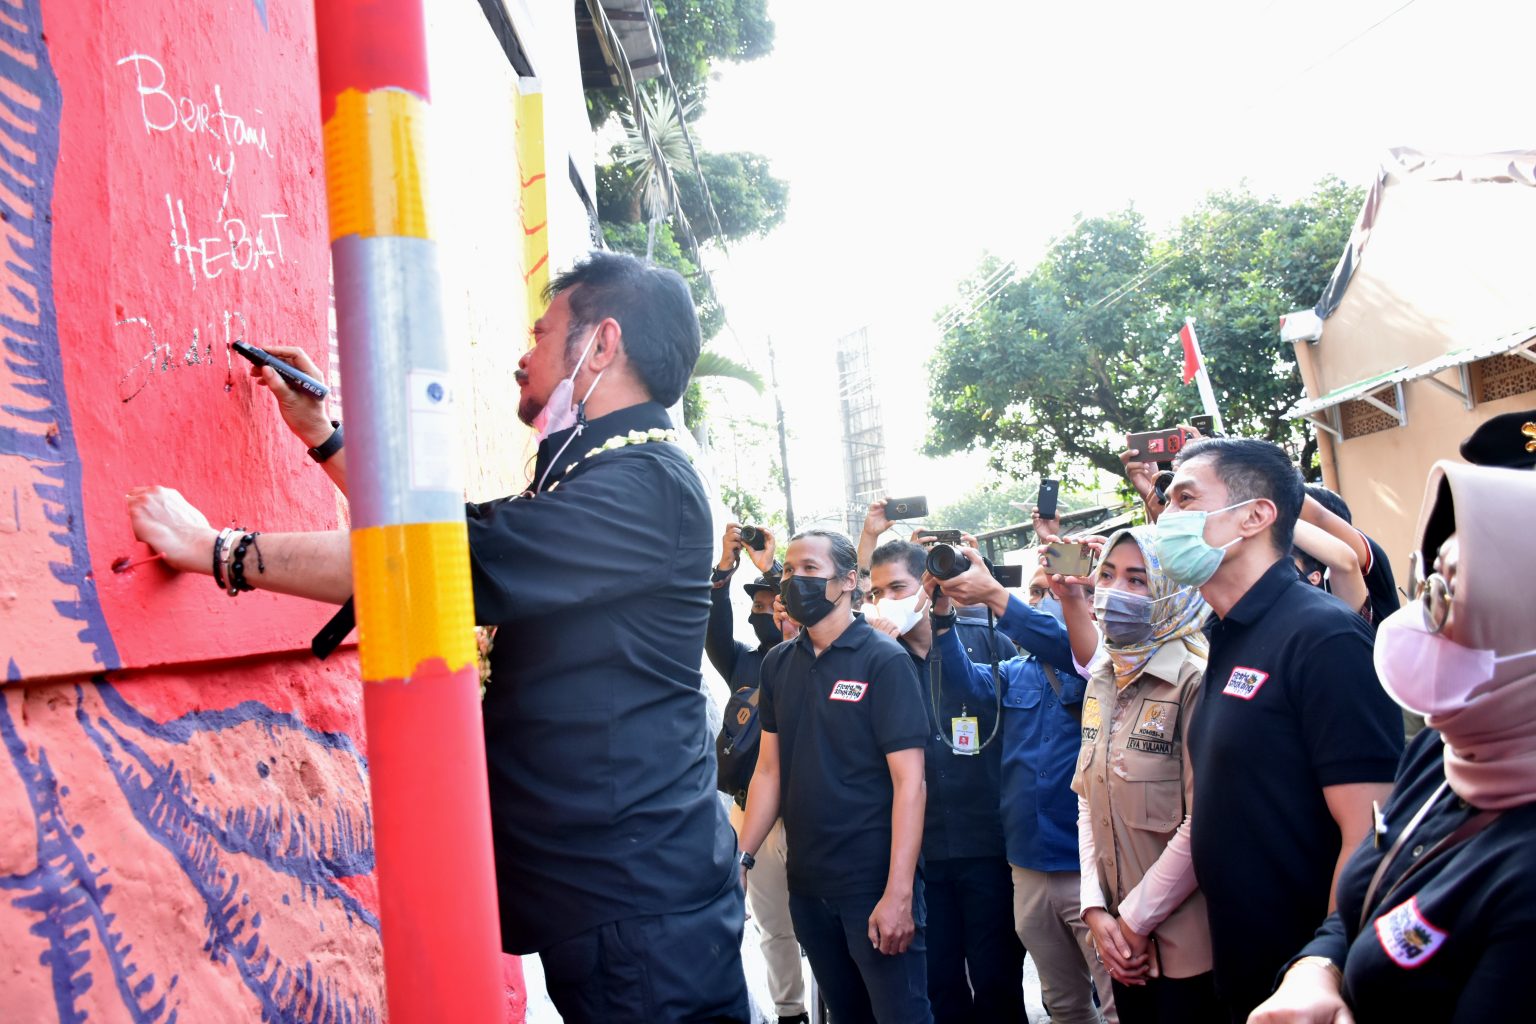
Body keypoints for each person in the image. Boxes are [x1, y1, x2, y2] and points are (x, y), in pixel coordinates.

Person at [126, 251, 751, 1023]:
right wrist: (324, 433)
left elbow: (435, 559)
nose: (523, 355)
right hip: (616, 900)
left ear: (602, 345)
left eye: (542, 332)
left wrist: (219, 551)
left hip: (645, 918)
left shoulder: (645, 485)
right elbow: (460, 535)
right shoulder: (607, 472)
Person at [1250, 461, 1536, 1023]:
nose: (1425, 618)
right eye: (1430, 584)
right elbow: (1370, 898)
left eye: (1453, 594)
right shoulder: (1450, 748)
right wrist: (1315, 971)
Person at [1157, 437, 1403, 1021]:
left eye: (1185, 498)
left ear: (1255, 516)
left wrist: (1324, 966)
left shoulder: (1324, 637)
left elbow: (1370, 830)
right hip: (1245, 974)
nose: (1165, 518)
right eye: (1165, 502)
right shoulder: (1227, 635)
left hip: (1308, 994)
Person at [739, 529, 932, 1024]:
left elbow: (911, 783)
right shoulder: (778, 663)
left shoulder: (884, 660)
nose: (794, 580)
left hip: (872, 885)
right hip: (806, 886)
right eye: (788, 570)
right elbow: (768, 770)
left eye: (809, 570)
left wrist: (899, 893)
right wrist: (741, 857)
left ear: (848, 580)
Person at [928, 546, 1118, 1024]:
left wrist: (995, 595)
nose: (1044, 599)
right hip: (1028, 865)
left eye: (1056, 590)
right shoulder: (1019, 668)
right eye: (1036, 592)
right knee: (1063, 1003)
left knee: (1118, 1003)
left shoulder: (1104, 663)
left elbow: (1067, 645)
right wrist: (944, 617)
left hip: (1088, 867)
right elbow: (964, 688)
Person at [1056, 526, 1221, 1022]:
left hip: (1186, 948)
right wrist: (1094, 910)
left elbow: (1203, 822)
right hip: (1116, 940)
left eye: (1137, 580)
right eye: (1106, 575)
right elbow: (1088, 799)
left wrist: (1132, 921)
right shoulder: (1103, 678)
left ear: (1171, 591)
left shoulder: (1195, 680)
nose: (1113, 592)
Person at [866, 539, 1025, 1024]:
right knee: (939, 987)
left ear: (928, 586)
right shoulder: (876, 660)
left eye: (897, 587)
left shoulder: (985, 640)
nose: (886, 600)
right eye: (876, 592)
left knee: (998, 981)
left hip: (988, 849)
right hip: (921, 857)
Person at [709, 524, 809, 1024]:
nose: (766, 607)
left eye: (775, 598)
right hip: (753, 811)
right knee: (774, 925)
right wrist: (725, 569)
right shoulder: (745, 663)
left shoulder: (818, 658)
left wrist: (771, 567)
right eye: (760, 602)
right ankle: (791, 1011)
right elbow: (711, 625)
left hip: (812, 811)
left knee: (819, 922)